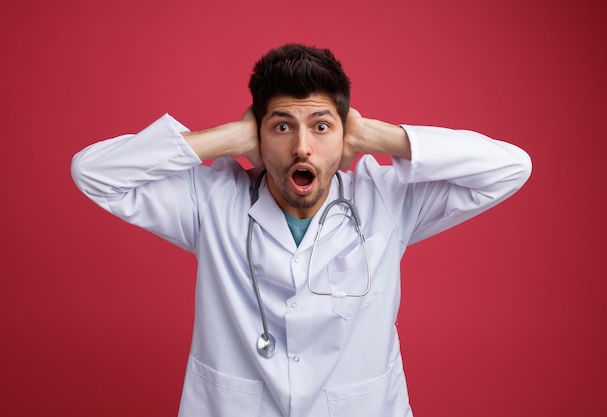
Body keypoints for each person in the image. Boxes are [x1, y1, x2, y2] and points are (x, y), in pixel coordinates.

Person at [71, 43, 532, 417]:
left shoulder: (386, 200)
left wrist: (377, 134)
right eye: (281, 126)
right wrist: (223, 138)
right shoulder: (211, 201)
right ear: (256, 137)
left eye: (321, 126)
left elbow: (510, 167)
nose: (302, 147)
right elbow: (94, 173)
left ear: (346, 137)